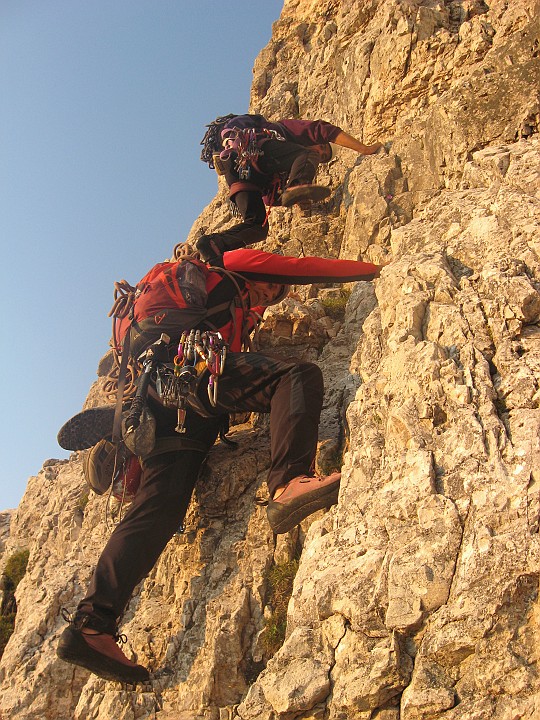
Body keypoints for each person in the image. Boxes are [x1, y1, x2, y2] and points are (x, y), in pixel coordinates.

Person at [56, 247, 388, 685]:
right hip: (190, 373)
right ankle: (289, 482)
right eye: (270, 286)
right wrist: (379, 268)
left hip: (174, 402)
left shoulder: (227, 313)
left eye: (274, 295)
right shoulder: (231, 266)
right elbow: (303, 268)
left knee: (160, 510)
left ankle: (92, 625)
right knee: (295, 376)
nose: (270, 294)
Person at [198, 114, 383, 264]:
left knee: (257, 227)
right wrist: (363, 149)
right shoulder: (285, 130)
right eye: (321, 148)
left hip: (239, 173)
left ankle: (213, 245)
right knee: (306, 154)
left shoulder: (287, 165)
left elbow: (269, 199)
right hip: (253, 148)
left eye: (323, 156)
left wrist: (293, 196)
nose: (319, 154)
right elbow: (323, 129)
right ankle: (297, 185)